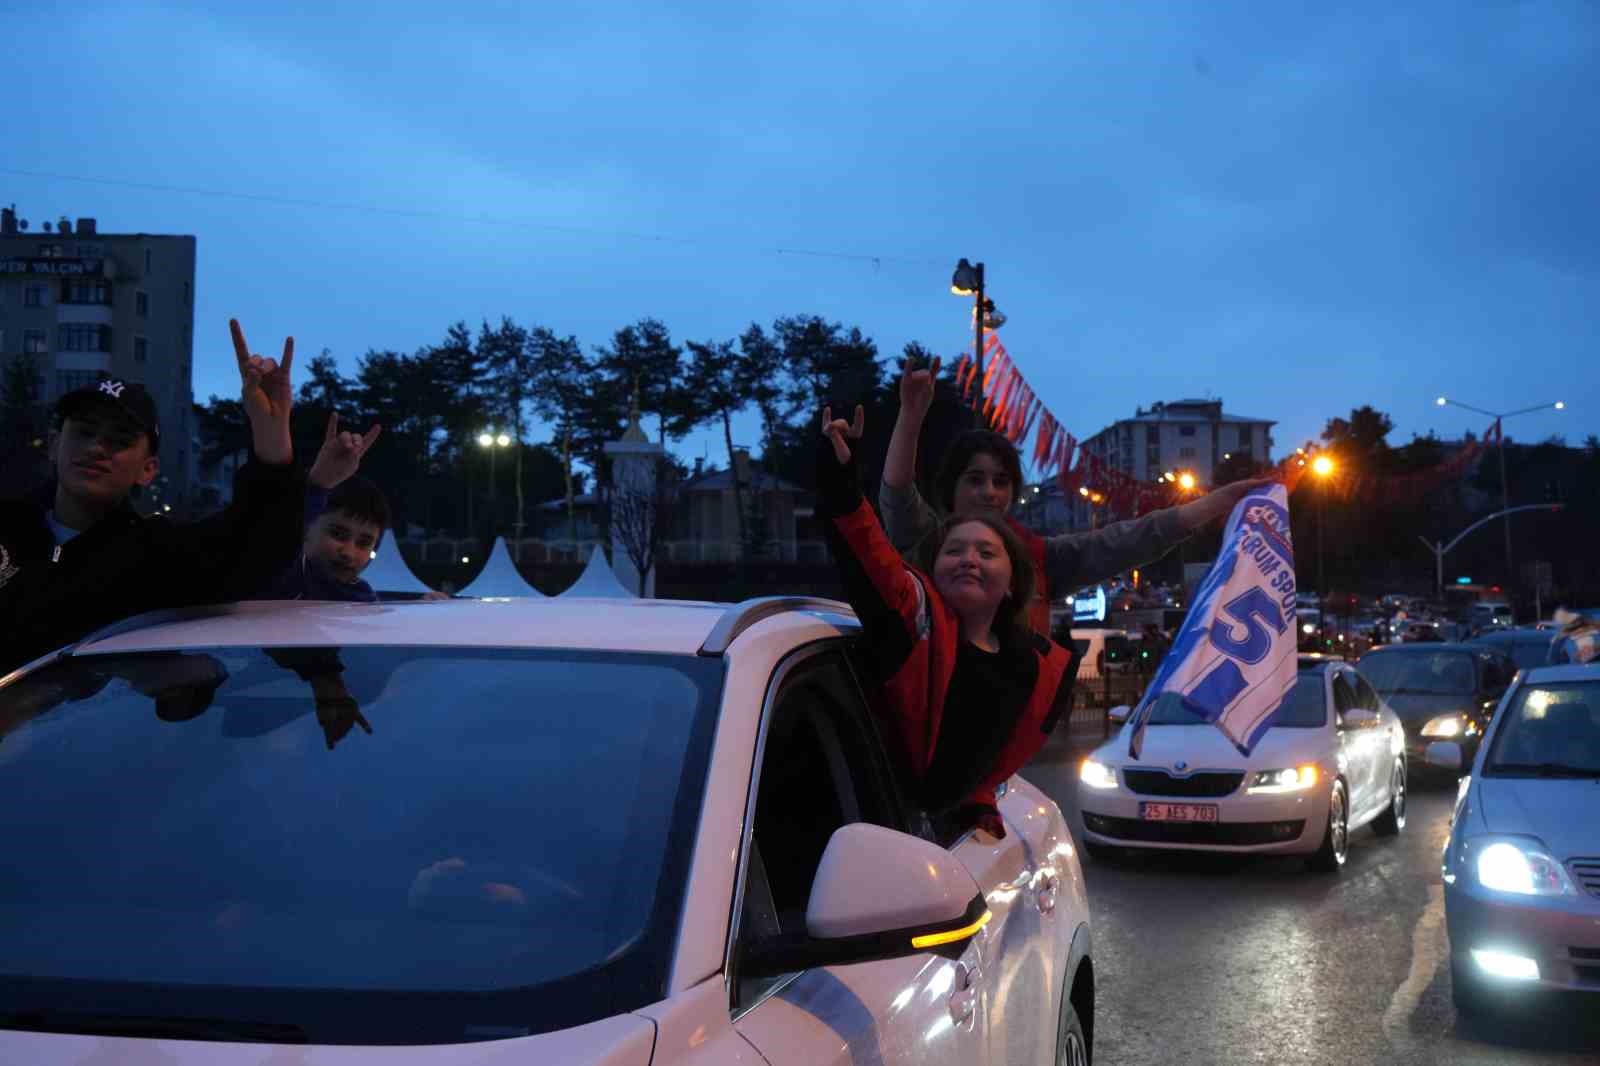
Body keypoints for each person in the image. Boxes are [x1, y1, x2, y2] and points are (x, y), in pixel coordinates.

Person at [818, 404, 1071, 840]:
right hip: (874, 834)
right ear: (931, 570)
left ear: (1013, 583)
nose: (969, 560)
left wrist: (979, 804)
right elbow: (869, 553)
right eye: (954, 551)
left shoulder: (1030, 669)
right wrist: (842, 480)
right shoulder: (914, 625)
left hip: (947, 841)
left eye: (987, 553)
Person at [880, 356, 1275, 631]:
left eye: (1001, 482)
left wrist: (1219, 501)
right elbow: (897, 494)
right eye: (975, 479)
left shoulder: (1041, 560)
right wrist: (910, 418)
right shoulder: (928, 543)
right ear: (951, 488)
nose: (989, 493)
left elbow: (1132, 540)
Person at [0, 320, 305, 675]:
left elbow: (260, 551)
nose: (97, 448)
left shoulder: (155, 557)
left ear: (148, 469)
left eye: (119, 440)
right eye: (84, 432)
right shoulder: (7, 526)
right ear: (54, 445)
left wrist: (271, 437)